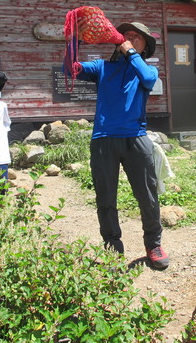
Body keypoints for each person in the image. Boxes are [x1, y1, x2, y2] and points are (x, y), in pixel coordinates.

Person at [66, 21, 169, 269]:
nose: (130, 38)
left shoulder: (148, 69)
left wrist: (130, 51)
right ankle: (112, 246)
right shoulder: (103, 67)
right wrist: (74, 39)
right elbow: (71, 70)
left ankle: (153, 244)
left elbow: (147, 78)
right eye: (126, 35)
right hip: (103, 139)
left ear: (145, 47)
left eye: (137, 37)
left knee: (147, 196)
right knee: (106, 198)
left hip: (136, 137)